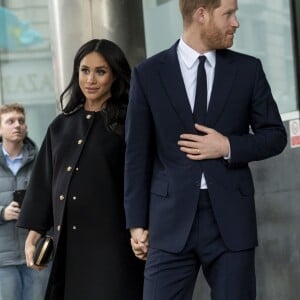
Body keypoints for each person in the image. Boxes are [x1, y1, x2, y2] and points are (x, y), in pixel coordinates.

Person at [124, 0, 287, 299]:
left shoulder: (248, 70)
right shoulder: (148, 74)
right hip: (168, 221)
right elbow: (136, 155)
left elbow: (275, 136)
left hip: (231, 221)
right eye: (228, 14)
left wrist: (227, 145)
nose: (235, 22)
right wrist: (136, 224)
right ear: (201, 15)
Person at [17, 39, 144, 300]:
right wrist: (33, 236)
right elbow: (44, 183)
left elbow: (142, 179)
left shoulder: (129, 123)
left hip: (114, 245)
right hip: (70, 248)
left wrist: (143, 227)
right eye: (84, 70)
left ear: (115, 75)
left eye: (101, 71)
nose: (91, 79)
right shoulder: (60, 126)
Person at [0, 103, 49, 300]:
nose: (17, 125)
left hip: (36, 254)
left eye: (21, 121)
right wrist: (2, 212)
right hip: (3, 259)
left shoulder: (41, 160)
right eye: (10, 121)